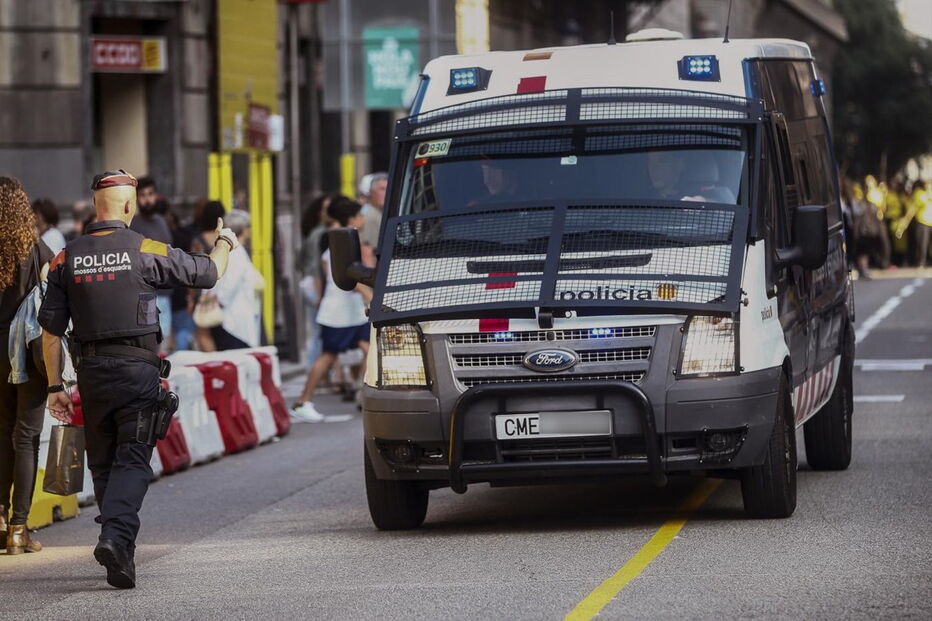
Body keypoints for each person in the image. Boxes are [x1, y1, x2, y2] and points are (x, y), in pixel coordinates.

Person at [38, 170, 236, 588]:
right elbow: (208, 273)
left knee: (106, 463)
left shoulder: (66, 257)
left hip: (91, 375)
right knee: (133, 460)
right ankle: (114, 536)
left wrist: (56, 387)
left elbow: (50, 332)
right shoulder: (145, 247)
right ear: (129, 206)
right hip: (137, 372)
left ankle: (121, 557)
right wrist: (225, 242)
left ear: (96, 205)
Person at [0, 178, 53, 555]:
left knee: (1, 433)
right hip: (26, 347)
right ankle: (19, 529)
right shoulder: (33, 246)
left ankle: (0, 519)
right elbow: (52, 286)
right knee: (26, 436)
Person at [292, 197, 371, 422]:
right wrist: (370, 296)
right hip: (338, 313)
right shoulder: (340, 243)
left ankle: (364, 393)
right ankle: (302, 401)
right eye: (360, 214)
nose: (364, 218)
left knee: (370, 349)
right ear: (352, 219)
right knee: (328, 356)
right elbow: (347, 278)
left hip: (351, 312)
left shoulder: (345, 240)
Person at [205, 209, 264, 350]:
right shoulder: (237, 253)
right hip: (233, 322)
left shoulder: (220, 250)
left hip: (224, 319)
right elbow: (230, 285)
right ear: (245, 230)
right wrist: (220, 303)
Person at [129, 176, 174, 347]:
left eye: (150, 194)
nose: (147, 199)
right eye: (143, 195)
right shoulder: (133, 225)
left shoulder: (162, 222)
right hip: (144, 295)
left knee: (164, 348)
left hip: (165, 293)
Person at [358, 173, 387, 250]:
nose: (386, 193)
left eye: (388, 189)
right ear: (371, 192)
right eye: (382, 189)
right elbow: (367, 249)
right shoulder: (369, 215)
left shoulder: (380, 213)